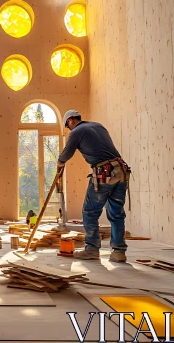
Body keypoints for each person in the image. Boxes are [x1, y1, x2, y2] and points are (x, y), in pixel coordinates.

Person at [56, 110, 130, 262]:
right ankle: (119, 252)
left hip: (105, 172)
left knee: (90, 212)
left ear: (70, 120)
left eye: (67, 126)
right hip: (121, 170)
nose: (69, 129)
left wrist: (59, 162)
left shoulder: (76, 131)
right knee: (116, 213)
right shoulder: (98, 126)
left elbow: (66, 154)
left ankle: (91, 249)